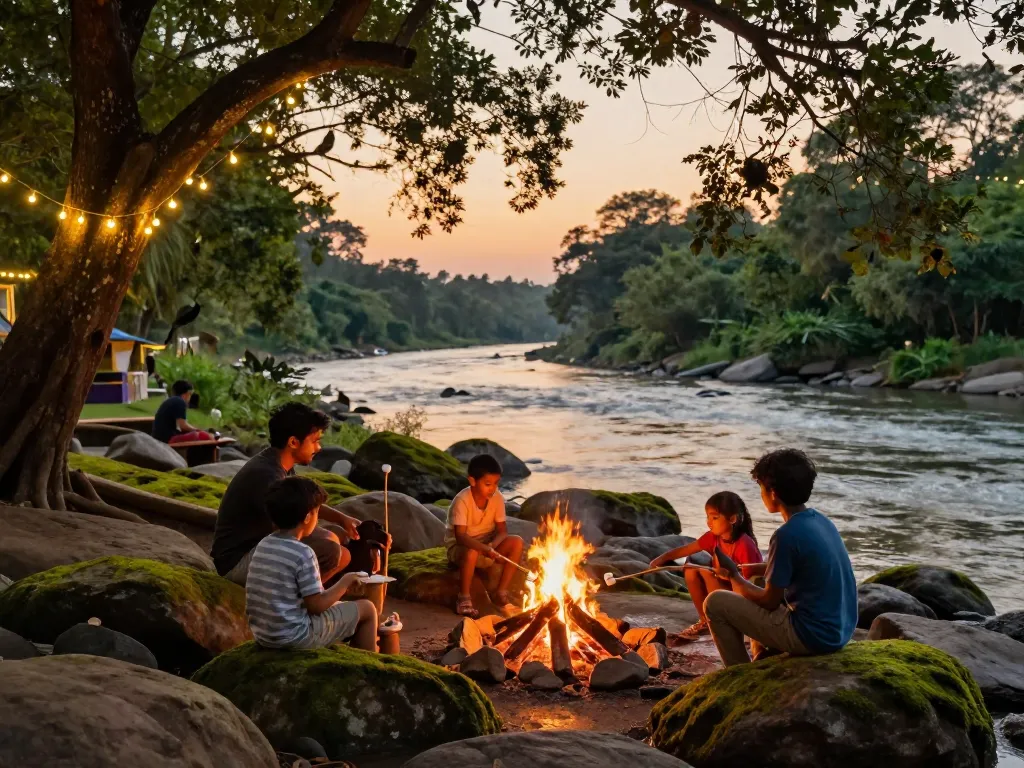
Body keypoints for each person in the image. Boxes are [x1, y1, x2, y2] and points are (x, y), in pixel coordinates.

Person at [702, 448, 857, 666]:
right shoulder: (821, 521)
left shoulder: (785, 535)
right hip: (841, 631)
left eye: (761, 488)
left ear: (773, 493)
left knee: (715, 603)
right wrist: (756, 568)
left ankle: (739, 672)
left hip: (813, 638)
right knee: (757, 579)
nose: (761, 494)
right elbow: (803, 566)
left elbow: (769, 601)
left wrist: (733, 576)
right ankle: (761, 654)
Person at [212, 402, 377, 587]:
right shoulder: (267, 475)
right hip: (237, 562)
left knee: (338, 537)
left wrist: (342, 519)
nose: (318, 448)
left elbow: (301, 503)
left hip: (258, 548)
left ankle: (312, 592)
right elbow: (287, 527)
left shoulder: (278, 462)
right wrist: (329, 536)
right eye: (314, 441)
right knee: (332, 550)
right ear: (293, 442)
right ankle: (300, 599)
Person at [246, 476, 378, 651]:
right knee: (367, 609)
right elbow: (316, 606)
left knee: (341, 607)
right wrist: (345, 582)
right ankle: (366, 663)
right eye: (317, 512)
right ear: (308, 517)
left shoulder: (264, 544)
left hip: (264, 635)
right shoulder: (303, 553)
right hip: (296, 636)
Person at [649, 491, 764, 641]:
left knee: (705, 571)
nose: (709, 522)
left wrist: (729, 576)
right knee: (691, 566)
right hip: (723, 594)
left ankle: (722, 623)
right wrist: (661, 559)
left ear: (732, 519)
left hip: (743, 600)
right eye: (708, 517)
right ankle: (705, 621)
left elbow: (750, 586)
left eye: (715, 518)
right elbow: (686, 549)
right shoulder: (714, 538)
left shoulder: (744, 545)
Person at [445, 454, 524, 617]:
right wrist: (484, 549)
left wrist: (492, 546)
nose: (492, 488)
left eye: (496, 483)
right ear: (472, 481)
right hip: (462, 547)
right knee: (472, 551)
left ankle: (501, 592)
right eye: (488, 484)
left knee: (517, 542)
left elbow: (502, 531)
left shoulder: (497, 498)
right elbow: (461, 536)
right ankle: (464, 598)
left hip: (487, 543)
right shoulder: (462, 500)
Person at [152, 380, 212, 444]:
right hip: (166, 439)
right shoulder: (180, 401)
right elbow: (182, 425)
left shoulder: (173, 400)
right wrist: (198, 430)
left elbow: (181, 427)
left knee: (196, 433)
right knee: (200, 435)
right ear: (187, 393)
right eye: (190, 394)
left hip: (160, 437)